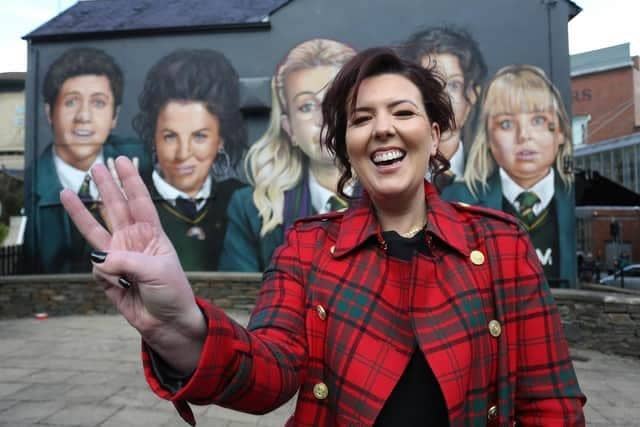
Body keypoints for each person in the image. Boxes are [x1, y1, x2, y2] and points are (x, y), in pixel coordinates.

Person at [61, 48, 585, 426]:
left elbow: (550, 404)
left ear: (435, 132)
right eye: (361, 119)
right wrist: (183, 327)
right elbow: (270, 371)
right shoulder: (306, 247)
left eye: (403, 112)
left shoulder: (500, 244)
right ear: (347, 146)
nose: (382, 128)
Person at [218, 39, 356, 272]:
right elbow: (239, 303)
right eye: (306, 106)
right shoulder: (250, 209)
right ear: (289, 128)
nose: (323, 119)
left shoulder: (404, 197)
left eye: (336, 100)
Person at [442, 64, 576, 288]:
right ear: (488, 137)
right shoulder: (456, 200)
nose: (524, 136)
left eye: (538, 120)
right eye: (506, 124)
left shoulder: (573, 195)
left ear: (561, 131)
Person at [24, 47, 149, 273]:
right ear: (49, 112)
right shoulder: (29, 186)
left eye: (98, 103)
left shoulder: (144, 164)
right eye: (71, 102)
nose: (84, 116)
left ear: (115, 116)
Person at [132, 49, 247, 271]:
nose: (183, 153)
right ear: (153, 137)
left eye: (200, 136)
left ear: (221, 139)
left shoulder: (241, 203)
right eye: (170, 136)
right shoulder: (129, 203)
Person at [401, 26, 487, 190]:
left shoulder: (490, 177)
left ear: (472, 95)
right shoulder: (388, 173)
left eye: (454, 85)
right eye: (429, 84)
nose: (441, 97)